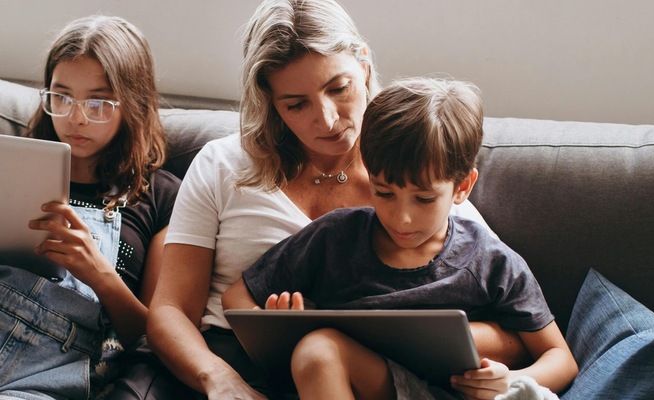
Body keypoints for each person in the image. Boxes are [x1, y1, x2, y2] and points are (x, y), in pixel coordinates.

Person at [147, 0, 526, 399]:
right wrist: (220, 381)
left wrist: (394, 331)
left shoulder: (413, 175)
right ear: (270, 101)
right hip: (233, 372)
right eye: (296, 104)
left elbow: (518, 329)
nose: (326, 119)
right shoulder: (222, 165)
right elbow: (169, 312)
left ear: (363, 64)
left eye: (338, 88)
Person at [222, 77, 578, 399]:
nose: (401, 217)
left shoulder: (490, 261)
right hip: (362, 383)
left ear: (462, 187)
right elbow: (237, 296)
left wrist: (511, 381)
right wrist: (275, 325)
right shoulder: (334, 237)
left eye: (423, 199)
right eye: (384, 193)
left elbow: (560, 359)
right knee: (317, 350)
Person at [0, 15, 184, 399]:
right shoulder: (11, 163)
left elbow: (155, 337)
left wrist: (100, 274)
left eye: (98, 102)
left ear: (132, 102)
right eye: (61, 97)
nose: (76, 117)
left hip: (50, 372)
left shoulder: (161, 196)